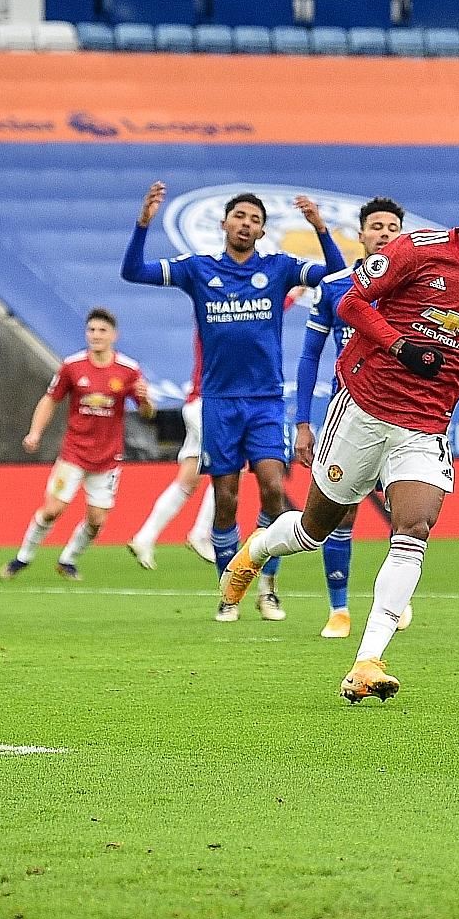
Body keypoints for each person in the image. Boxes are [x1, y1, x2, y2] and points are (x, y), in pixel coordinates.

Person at [218, 171, 459, 703]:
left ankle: (368, 659)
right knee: (314, 531)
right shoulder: (416, 249)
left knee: (415, 528)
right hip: (364, 408)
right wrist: (398, 345)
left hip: (426, 425)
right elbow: (351, 304)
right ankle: (257, 548)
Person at [121, 184, 345, 622]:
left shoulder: (279, 268)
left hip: (264, 401)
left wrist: (320, 229)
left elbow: (338, 277)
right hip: (218, 403)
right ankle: (230, 591)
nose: (246, 223)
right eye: (239, 216)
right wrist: (143, 223)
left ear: (263, 231)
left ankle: (268, 586)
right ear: (224, 224)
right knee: (225, 499)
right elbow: (134, 272)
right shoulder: (198, 269)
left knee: (274, 490)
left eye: (255, 219)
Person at [293, 196, 413, 638]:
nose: (384, 233)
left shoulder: (417, 286)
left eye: (392, 226)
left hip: (404, 413)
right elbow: (310, 356)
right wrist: (303, 422)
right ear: (360, 235)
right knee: (340, 513)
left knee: (405, 509)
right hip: (347, 414)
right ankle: (339, 609)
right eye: (376, 226)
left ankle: (394, 599)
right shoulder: (336, 286)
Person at [0, 308, 149, 582]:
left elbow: (147, 413)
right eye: (91, 330)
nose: (96, 335)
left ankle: (67, 560)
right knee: (52, 510)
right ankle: (22, 557)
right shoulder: (72, 366)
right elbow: (50, 399)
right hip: (74, 454)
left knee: (96, 520)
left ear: (114, 335)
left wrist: (146, 400)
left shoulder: (128, 370)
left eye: (102, 330)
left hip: (107, 459)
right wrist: (35, 432)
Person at [126, 339, 216, 569]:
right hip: (208, 405)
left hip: (199, 404)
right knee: (230, 466)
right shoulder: (221, 317)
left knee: (188, 480)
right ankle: (201, 533)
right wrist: (290, 300)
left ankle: (145, 537)